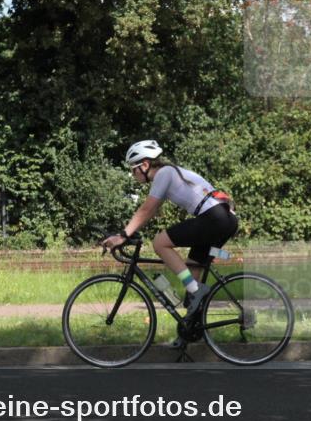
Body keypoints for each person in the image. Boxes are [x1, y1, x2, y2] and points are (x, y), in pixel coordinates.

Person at [101, 140, 238, 331]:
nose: (133, 174)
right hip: (223, 218)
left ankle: (196, 291)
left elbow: (146, 209)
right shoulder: (170, 173)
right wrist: (131, 230)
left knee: (160, 243)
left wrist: (123, 235)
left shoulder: (164, 174)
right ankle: (189, 332)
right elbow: (150, 211)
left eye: (134, 169)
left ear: (145, 165)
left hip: (214, 219)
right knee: (193, 272)